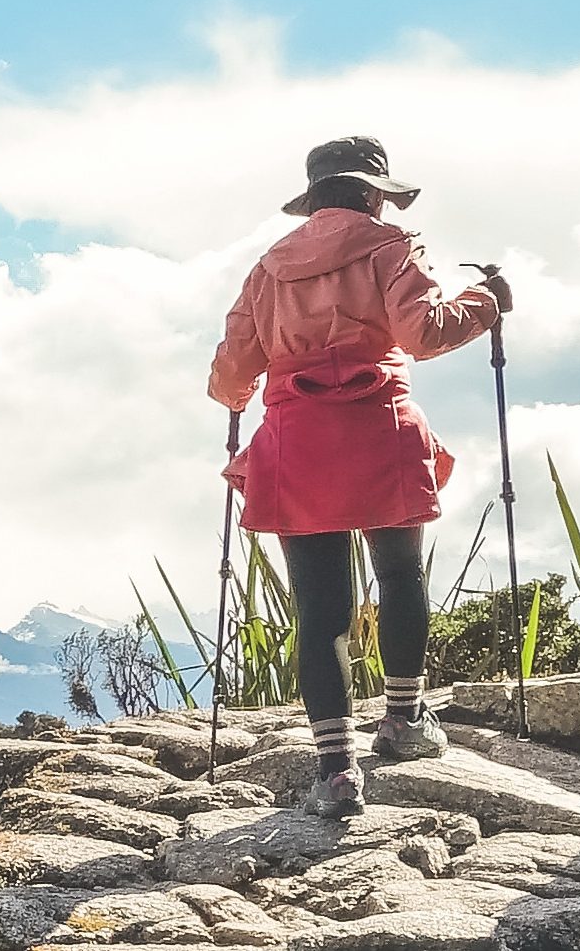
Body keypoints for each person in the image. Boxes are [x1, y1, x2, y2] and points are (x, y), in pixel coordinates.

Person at [207, 132, 512, 816]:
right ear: (375, 195)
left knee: (320, 609)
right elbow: (425, 334)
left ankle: (335, 771)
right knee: (399, 575)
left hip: (296, 442)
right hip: (378, 429)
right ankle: (404, 720)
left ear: (313, 199)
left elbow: (232, 373)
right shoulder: (391, 246)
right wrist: (486, 301)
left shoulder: (268, 268)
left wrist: (235, 393)